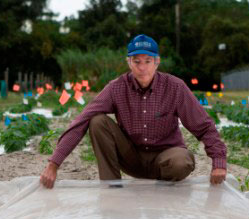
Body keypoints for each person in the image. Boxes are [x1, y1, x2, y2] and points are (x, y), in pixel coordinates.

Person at [40, 34, 226, 189]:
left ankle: (163, 190)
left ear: (157, 62)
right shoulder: (116, 88)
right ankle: (112, 188)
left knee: (182, 161)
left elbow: (203, 126)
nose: (142, 67)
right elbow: (82, 120)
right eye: (136, 61)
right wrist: (53, 164)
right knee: (97, 121)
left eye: (148, 61)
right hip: (131, 157)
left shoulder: (175, 88)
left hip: (165, 159)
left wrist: (218, 161)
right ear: (129, 62)